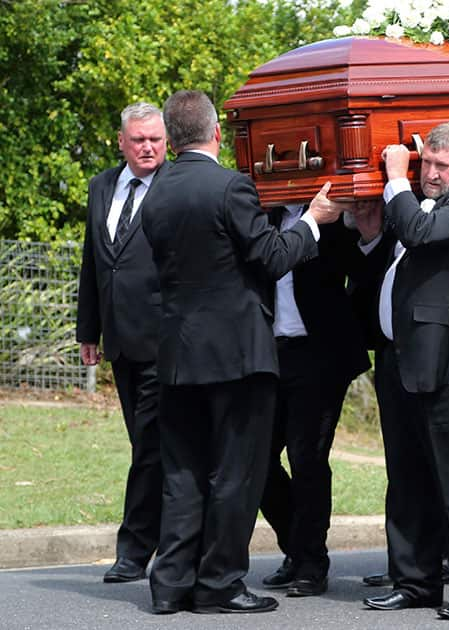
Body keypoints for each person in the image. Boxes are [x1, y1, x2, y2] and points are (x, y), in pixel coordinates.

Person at [140, 90, 344, 615]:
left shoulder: (155, 191)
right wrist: (313, 218)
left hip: (179, 355)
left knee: (184, 473)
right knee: (236, 472)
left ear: (173, 135)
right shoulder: (231, 186)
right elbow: (272, 258)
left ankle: (170, 585)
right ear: (214, 134)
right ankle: (219, 585)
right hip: (236, 355)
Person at [359, 122, 449, 620]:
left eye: (443, 166)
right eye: (427, 164)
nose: (433, 174)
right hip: (405, 361)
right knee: (407, 480)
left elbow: (419, 234)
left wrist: (395, 177)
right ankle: (415, 581)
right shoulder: (429, 205)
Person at [256, 202, 373, 597]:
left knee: (307, 459)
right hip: (268, 354)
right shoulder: (261, 217)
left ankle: (310, 562)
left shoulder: (335, 217)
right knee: (256, 457)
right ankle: (297, 545)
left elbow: (362, 273)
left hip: (319, 355)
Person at [76, 102, 169, 584]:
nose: (148, 147)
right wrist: (88, 330)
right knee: (145, 443)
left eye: (155, 138)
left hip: (166, 341)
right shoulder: (101, 186)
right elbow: (95, 262)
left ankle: (135, 548)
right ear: (121, 142)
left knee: (151, 448)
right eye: (139, 140)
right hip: (120, 341)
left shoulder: (176, 186)